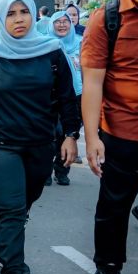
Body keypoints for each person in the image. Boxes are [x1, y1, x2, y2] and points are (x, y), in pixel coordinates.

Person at [0, 0, 78, 274]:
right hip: (0, 144)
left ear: (32, 15)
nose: (18, 19)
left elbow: (68, 98)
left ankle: (8, 250)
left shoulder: (53, 52)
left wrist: (71, 135)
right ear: (1, 18)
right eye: (11, 14)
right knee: (10, 208)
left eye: (24, 12)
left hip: (41, 144)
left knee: (26, 202)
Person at [81, 0, 138, 274]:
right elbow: (92, 84)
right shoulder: (107, 19)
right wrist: (91, 138)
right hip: (123, 130)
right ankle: (108, 266)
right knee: (115, 203)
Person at [48, 10, 83, 186]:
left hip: (76, 95)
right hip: (52, 96)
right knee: (51, 133)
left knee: (69, 134)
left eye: (65, 21)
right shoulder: (46, 45)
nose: (62, 24)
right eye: (57, 21)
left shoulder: (81, 43)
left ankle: (62, 170)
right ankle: (45, 170)